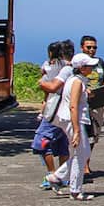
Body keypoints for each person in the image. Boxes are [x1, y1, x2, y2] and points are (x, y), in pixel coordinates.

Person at [46, 52, 96, 200]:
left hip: (72, 120)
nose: (92, 68)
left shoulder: (75, 80)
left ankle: (57, 177)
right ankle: (75, 190)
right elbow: (73, 106)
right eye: (89, 66)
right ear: (82, 68)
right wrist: (76, 130)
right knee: (80, 154)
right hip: (73, 120)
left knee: (82, 153)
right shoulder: (77, 82)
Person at [32, 41, 70, 188]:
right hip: (65, 110)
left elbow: (48, 86)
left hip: (53, 108)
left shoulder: (49, 65)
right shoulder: (68, 66)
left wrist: (42, 83)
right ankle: (63, 176)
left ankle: (52, 174)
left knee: (41, 141)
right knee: (63, 143)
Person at [80, 34, 104, 173]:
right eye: (89, 47)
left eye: (94, 47)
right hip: (83, 103)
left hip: (98, 102)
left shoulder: (100, 62)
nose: (92, 50)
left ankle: (87, 162)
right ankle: (82, 164)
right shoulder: (78, 63)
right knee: (83, 135)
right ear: (82, 48)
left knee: (94, 135)